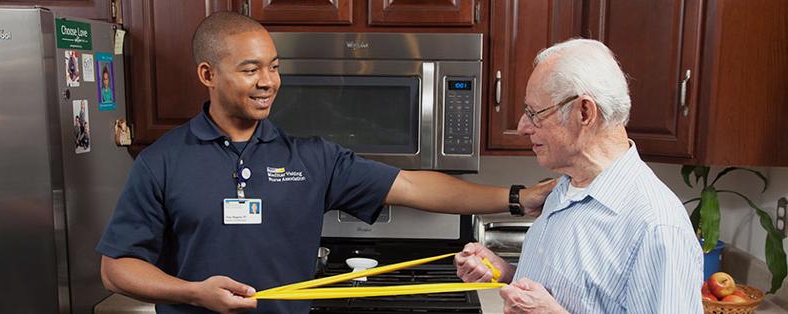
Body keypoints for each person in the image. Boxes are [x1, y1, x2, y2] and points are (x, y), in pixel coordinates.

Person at [96, 12, 555, 314]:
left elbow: (414, 187)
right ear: (207, 75)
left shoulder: (311, 157)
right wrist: (193, 292)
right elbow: (117, 268)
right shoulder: (161, 162)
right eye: (251, 69)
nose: (268, 82)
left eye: (274, 67)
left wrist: (517, 197)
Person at [453, 38, 703, 313]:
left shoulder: (657, 227)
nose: (523, 126)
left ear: (584, 112)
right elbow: (574, 295)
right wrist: (507, 274)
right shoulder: (564, 189)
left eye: (534, 113)